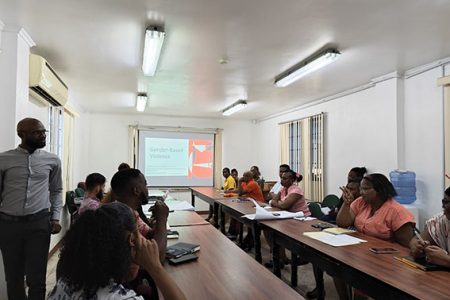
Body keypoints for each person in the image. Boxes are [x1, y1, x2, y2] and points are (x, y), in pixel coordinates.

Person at [48, 202, 186, 300]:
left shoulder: (65, 282)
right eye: (138, 233)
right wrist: (156, 268)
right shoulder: (120, 297)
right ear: (131, 241)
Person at [0, 117, 62, 300]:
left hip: (39, 224)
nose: (43, 136)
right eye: (37, 132)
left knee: (37, 279)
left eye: (44, 132)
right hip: (9, 225)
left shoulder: (52, 160)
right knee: (13, 278)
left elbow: (56, 190)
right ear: (21, 134)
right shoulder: (3, 159)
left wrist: (56, 218)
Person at [336, 173, 415, 300]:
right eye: (361, 188)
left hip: (385, 261)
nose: (361, 192)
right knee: (337, 267)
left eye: (366, 189)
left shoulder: (396, 211)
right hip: (362, 253)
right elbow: (342, 223)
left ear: (380, 190)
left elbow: (408, 246)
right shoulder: (360, 203)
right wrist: (346, 203)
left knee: (360, 284)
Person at [111, 168, 168, 264]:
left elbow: (149, 235)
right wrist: (162, 220)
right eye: (145, 185)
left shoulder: (131, 211)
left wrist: (157, 220)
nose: (147, 188)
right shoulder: (122, 218)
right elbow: (156, 259)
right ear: (136, 190)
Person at [265, 170, 310, 268]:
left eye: (285, 178)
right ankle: (281, 258)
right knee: (267, 229)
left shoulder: (296, 190)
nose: (282, 180)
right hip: (288, 217)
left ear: (292, 180)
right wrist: (279, 204)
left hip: (301, 219)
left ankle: (282, 259)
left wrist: (279, 203)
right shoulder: (283, 188)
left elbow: (285, 205)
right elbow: (273, 201)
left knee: (275, 232)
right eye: (282, 178)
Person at [410, 187, 450, 267]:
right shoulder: (443, 220)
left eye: (446, 202)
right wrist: (416, 246)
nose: (442, 206)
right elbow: (417, 240)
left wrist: (446, 260)